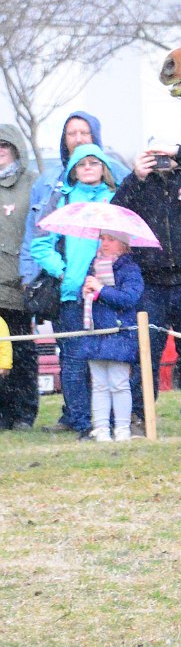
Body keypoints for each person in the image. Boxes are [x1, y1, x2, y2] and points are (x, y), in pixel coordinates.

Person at [20, 111, 127, 432]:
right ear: (72, 169)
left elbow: (127, 242)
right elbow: (40, 245)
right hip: (72, 295)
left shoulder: (115, 199)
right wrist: (65, 273)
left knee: (111, 359)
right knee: (75, 360)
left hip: (108, 294)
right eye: (81, 164)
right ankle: (81, 422)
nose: (88, 168)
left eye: (94, 162)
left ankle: (113, 420)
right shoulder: (62, 201)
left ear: (103, 166)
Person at [111, 134, 181, 436]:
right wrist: (135, 176)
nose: (160, 159)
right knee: (146, 353)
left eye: (164, 153)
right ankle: (139, 416)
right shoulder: (138, 186)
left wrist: (180, 153)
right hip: (152, 282)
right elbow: (116, 214)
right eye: (155, 153)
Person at [78, 231, 144, 441]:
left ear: (123, 244)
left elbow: (129, 298)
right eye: (103, 239)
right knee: (98, 384)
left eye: (111, 239)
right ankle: (101, 429)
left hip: (119, 333)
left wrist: (101, 291)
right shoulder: (93, 266)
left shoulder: (130, 269)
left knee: (119, 383)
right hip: (96, 332)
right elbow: (90, 297)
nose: (105, 244)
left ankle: (123, 429)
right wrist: (87, 292)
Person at [0, 123, 38, 430]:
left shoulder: (32, 183)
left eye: (4, 145)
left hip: (20, 285)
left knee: (23, 353)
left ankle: (24, 413)